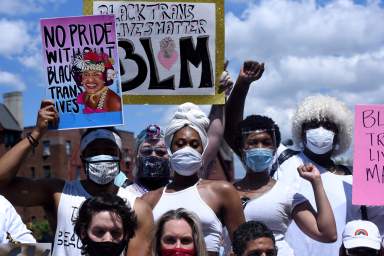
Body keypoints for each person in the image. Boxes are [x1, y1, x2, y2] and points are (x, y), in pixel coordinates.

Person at [0, 100, 153, 256]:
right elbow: (2, 183)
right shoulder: (59, 193)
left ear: (120, 158)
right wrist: (36, 134)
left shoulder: (138, 209)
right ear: (83, 157)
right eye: (94, 152)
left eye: (109, 151)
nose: (102, 156)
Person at [143, 102, 245, 256]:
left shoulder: (222, 192)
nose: (187, 149)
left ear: (203, 150)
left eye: (194, 144)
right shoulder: (150, 200)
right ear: (170, 149)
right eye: (180, 144)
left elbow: (244, 246)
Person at [115, 124, 170, 196]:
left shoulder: (180, 194)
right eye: (147, 151)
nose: (153, 155)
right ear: (137, 159)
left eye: (160, 152)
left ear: (169, 158)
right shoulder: (124, 195)